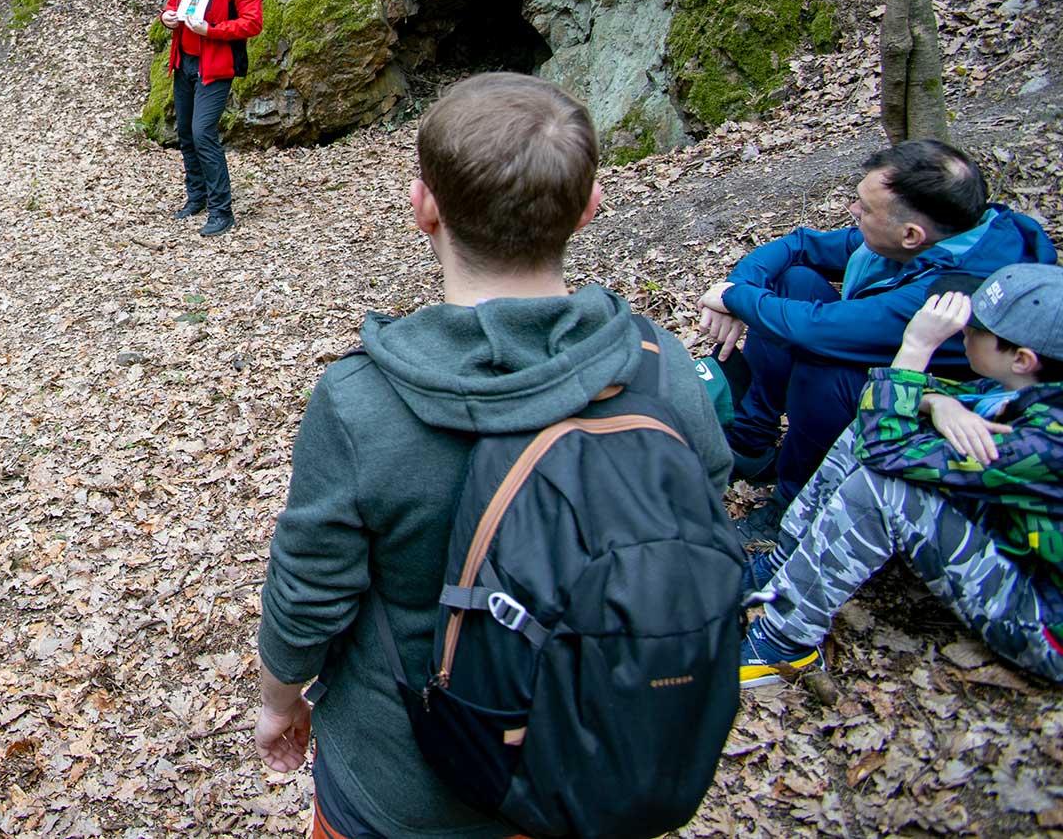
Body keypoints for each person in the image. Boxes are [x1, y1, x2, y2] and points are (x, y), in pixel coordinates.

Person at [254, 73, 730, 839]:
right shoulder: (660, 365)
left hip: (406, 785)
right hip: (597, 755)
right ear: (590, 205)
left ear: (424, 207)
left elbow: (309, 590)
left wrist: (280, 700)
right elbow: (703, 514)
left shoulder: (362, 402)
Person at [740, 263, 1063, 687]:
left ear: (1022, 358)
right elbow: (907, 408)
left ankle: (783, 642)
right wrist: (937, 402)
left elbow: (883, 445)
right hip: (1017, 545)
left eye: (975, 330)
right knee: (882, 417)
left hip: (1043, 623)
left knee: (882, 485)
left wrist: (915, 345)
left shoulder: (1044, 443)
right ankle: (783, 563)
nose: (963, 332)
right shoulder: (1032, 390)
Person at [698, 140, 1055, 503]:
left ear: (911, 234)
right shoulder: (956, 231)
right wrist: (736, 287)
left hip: (942, 406)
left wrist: (731, 298)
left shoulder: (949, 292)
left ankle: (792, 503)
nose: (853, 210)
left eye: (865, 210)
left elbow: (817, 328)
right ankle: (749, 441)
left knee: (824, 366)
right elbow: (800, 244)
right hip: (913, 375)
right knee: (795, 282)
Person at [157, 0, 262, 239]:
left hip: (215, 66)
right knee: (186, 132)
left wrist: (211, 29)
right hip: (184, 60)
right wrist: (167, 17)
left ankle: (222, 211)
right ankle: (197, 198)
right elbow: (173, 3)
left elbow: (252, 22)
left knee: (203, 133)